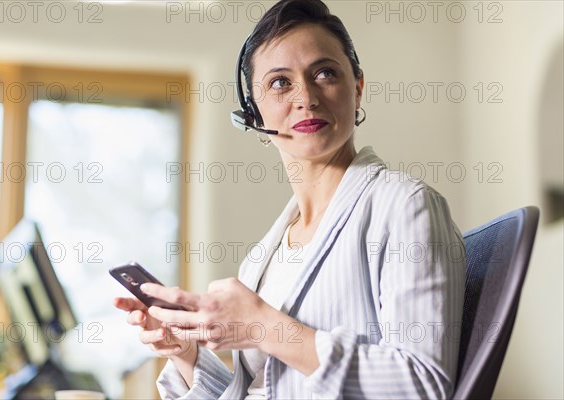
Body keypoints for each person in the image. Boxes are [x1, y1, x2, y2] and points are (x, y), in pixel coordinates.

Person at [114, 0, 466, 398]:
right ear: (253, 112)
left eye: (325, 73)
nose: (307, 97)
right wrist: (186, 353)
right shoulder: (264, 258)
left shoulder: (405, 208)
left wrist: (264, 325)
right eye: (280, 82)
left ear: (358, 88)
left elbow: (421, 384)